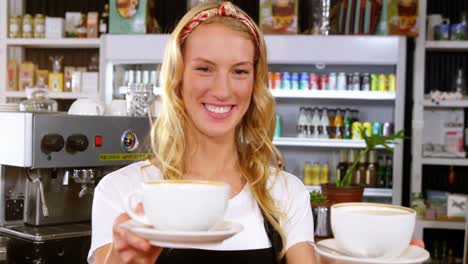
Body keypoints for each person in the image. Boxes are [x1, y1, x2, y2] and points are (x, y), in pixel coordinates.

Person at [89, 1, 316, 264]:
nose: (222, 90)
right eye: (204, 69)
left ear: (255, 84)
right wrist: (122, 257)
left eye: (240, 71)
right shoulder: (123, 191)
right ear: (177, 79)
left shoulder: (286, 193)